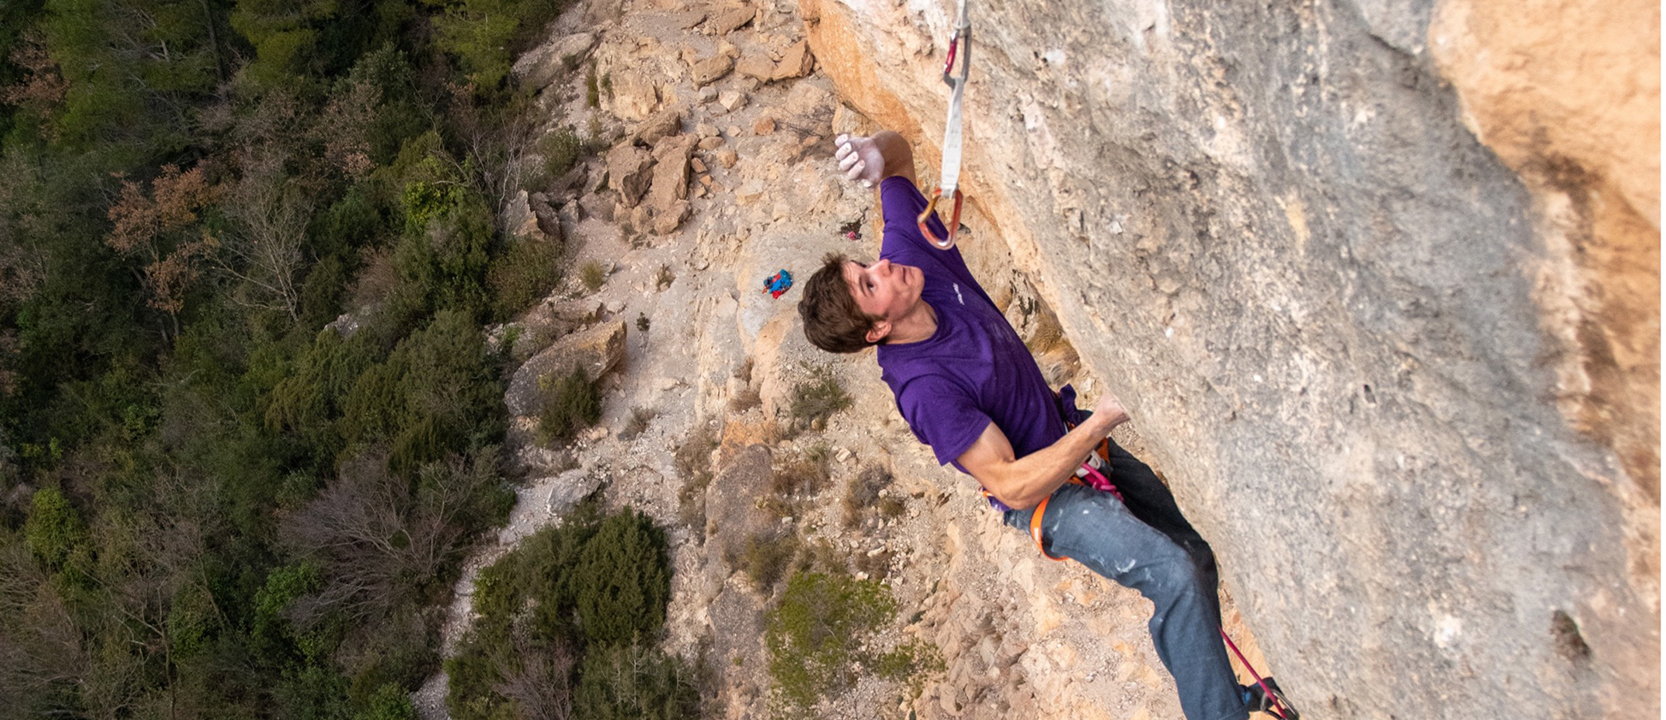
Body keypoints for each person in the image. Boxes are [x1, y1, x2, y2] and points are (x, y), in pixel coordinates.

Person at [796, 131, 1293, 720]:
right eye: (869, 283)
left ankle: (1223, 696)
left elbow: (897, 163)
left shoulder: (910, 260)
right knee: (1175, 573)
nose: (884, 265)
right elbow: (1008, 484)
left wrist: (878, 152)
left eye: (866, 266)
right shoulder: (926, 389)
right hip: (1046, 497)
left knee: (1194, 556)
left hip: (1071, 437)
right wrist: (1104, 418)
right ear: (876, 330)